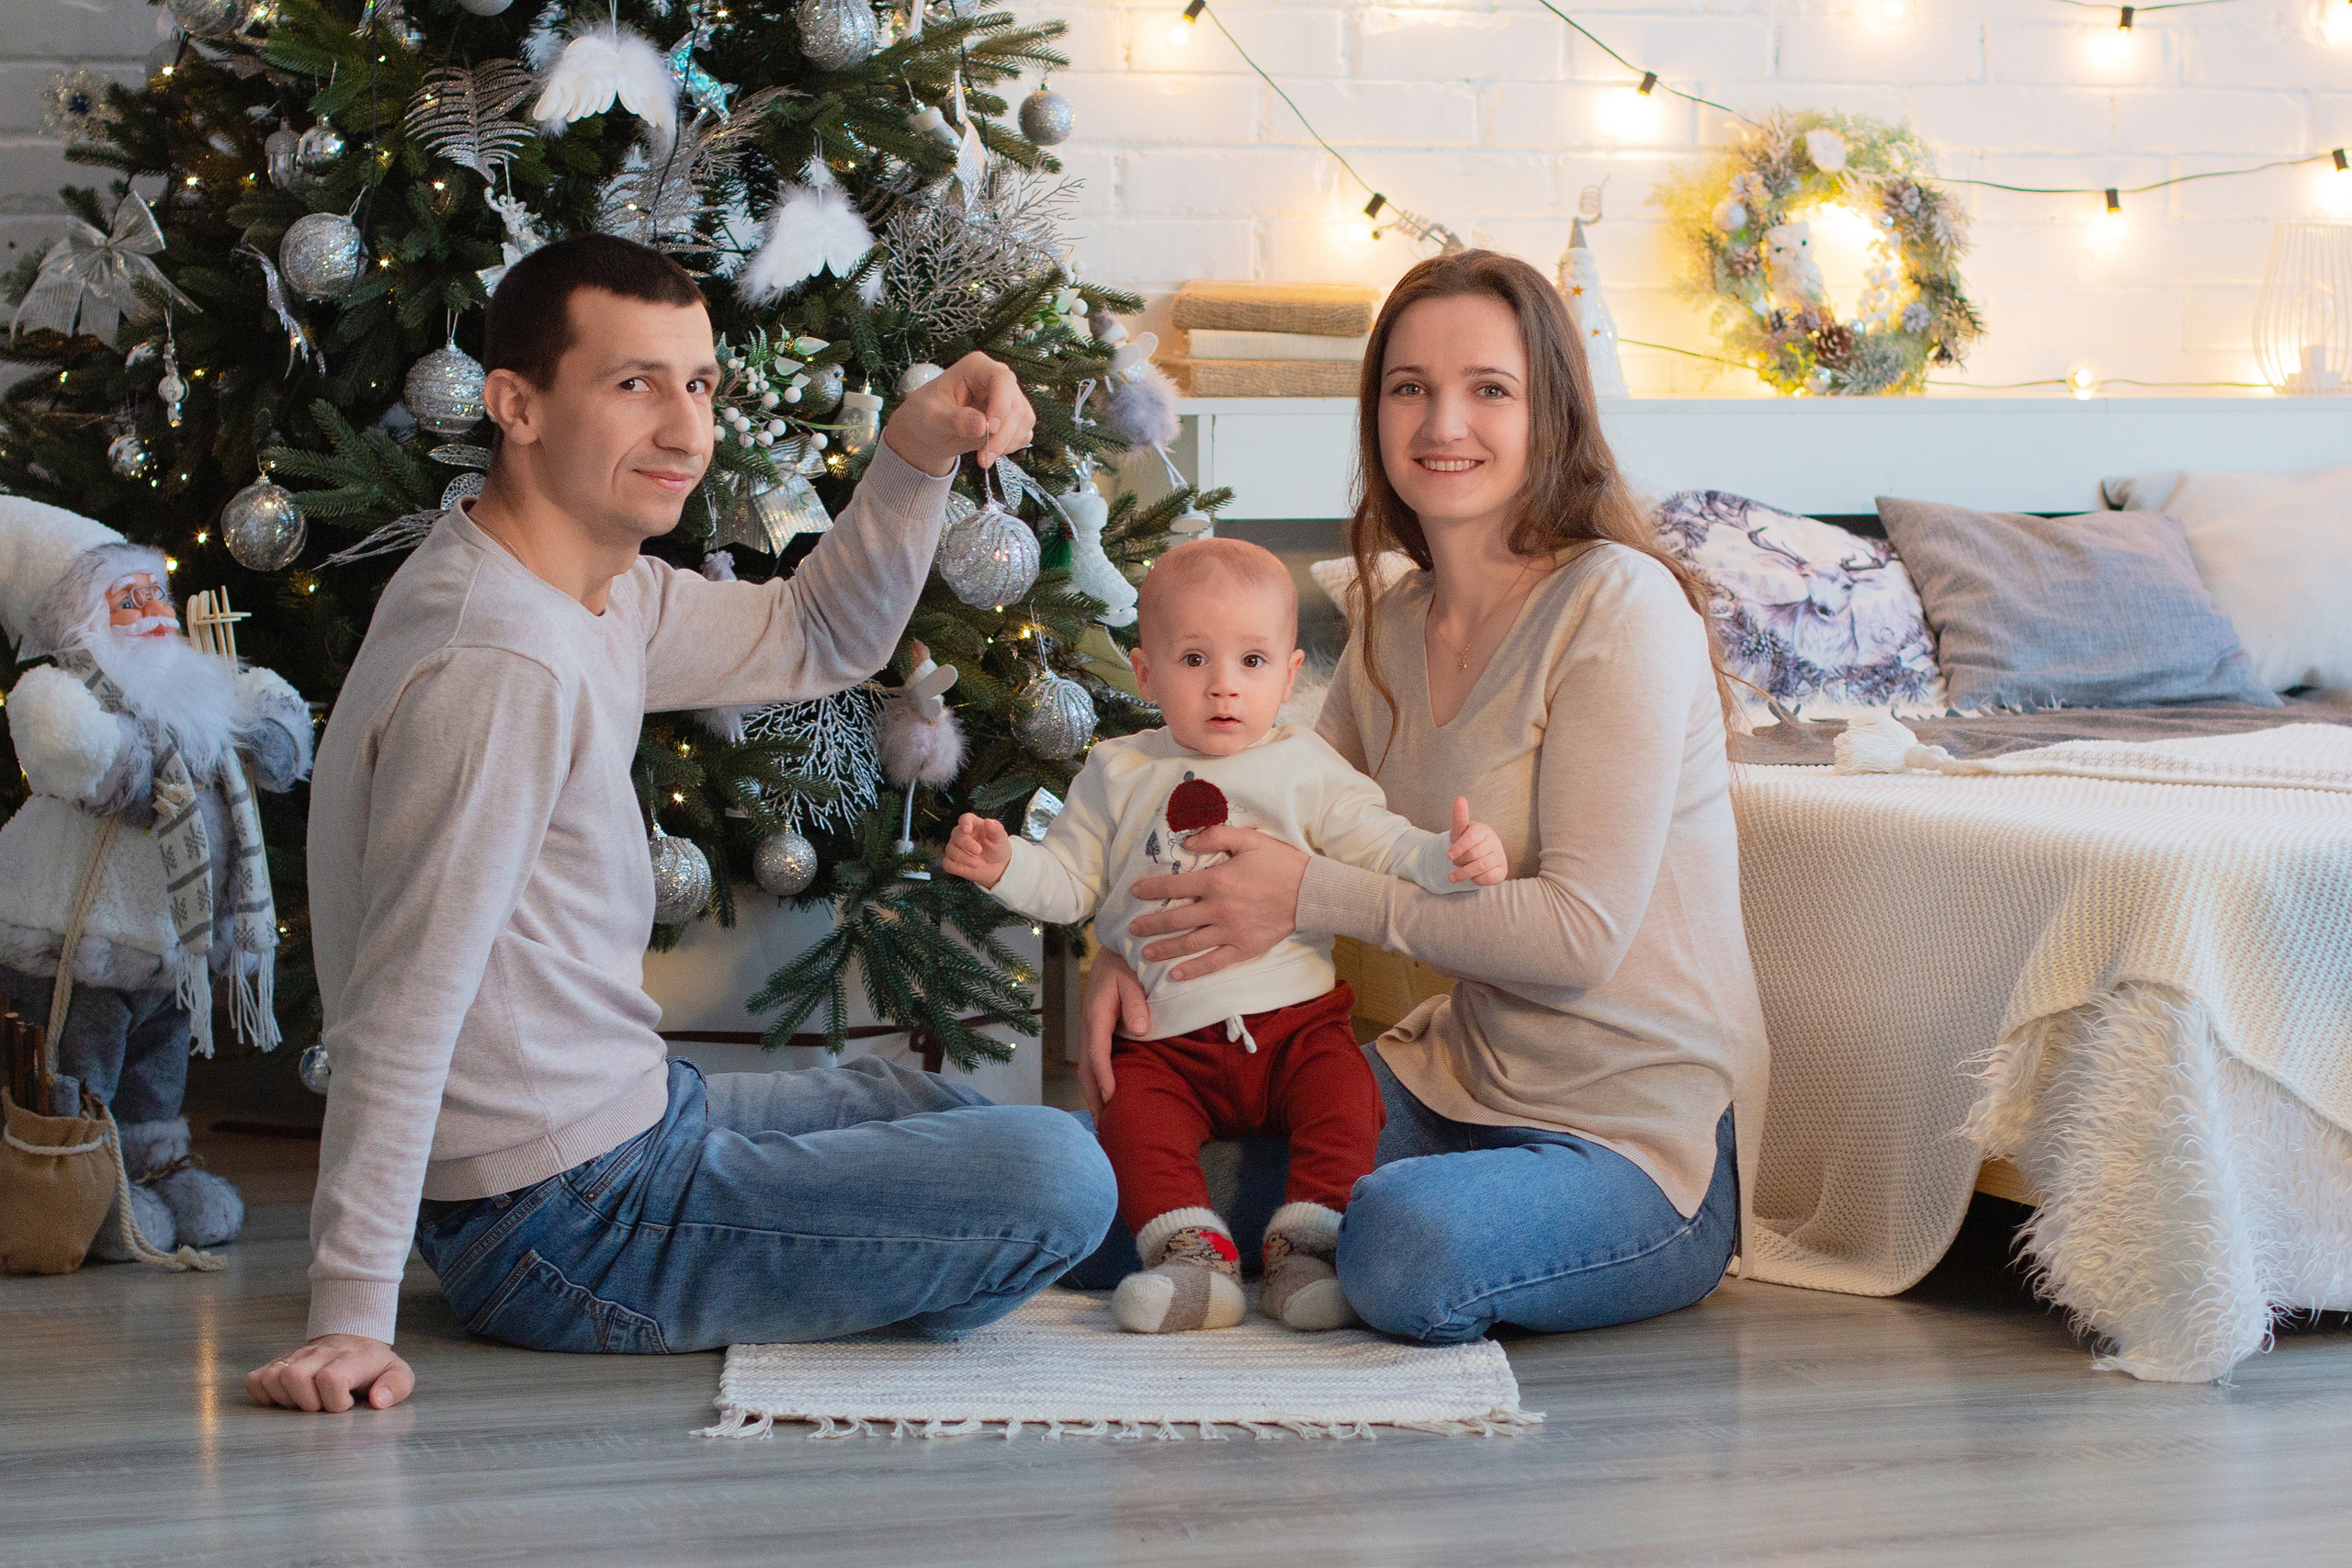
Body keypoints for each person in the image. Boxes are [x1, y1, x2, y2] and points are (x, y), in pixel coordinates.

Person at [245, 233, 1114, 1414]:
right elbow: (404, 1005)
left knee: (938, 1110)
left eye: (697, 384)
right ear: (517, 406)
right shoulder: (501, 663)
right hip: (556, 1219)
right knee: (1053, 1176)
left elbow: (819, 637)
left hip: (634, 1117)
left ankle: (882, 1260)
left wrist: (911, 451)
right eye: (633, 385)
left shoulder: (582, 587)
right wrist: (350, 1314)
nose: (687, 432)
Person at [1074, 249, 1770, 1345]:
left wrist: (1311, 894)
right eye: (1410, 388)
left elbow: (1578, 938)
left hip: (1632, 1137)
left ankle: (1415, 1237)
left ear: (1551, 414)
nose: (1444, 422)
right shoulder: (1394, 620)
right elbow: (1240, 815)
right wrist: (1126, 943)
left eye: (1488, 389)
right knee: (1112, 1195)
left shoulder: (1618, 606)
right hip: (1452, 1085)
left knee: (1400, 1245)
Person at [943, 537, 1507, 1336]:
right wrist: (1007, 866)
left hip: (1295, 1028)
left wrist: (1448, 859)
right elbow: (1070, 885)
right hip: (1164, 1042)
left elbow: (1380, 842)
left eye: (1250, 662)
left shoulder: (1302, 763)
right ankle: (1192, 1261)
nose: (1223, 686)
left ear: (1289, 673)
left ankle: (1305, 1246)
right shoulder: (1116, 770)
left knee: (1348, 1099)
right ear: (1144, 673)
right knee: (1131, 1123)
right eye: (1195, 659)